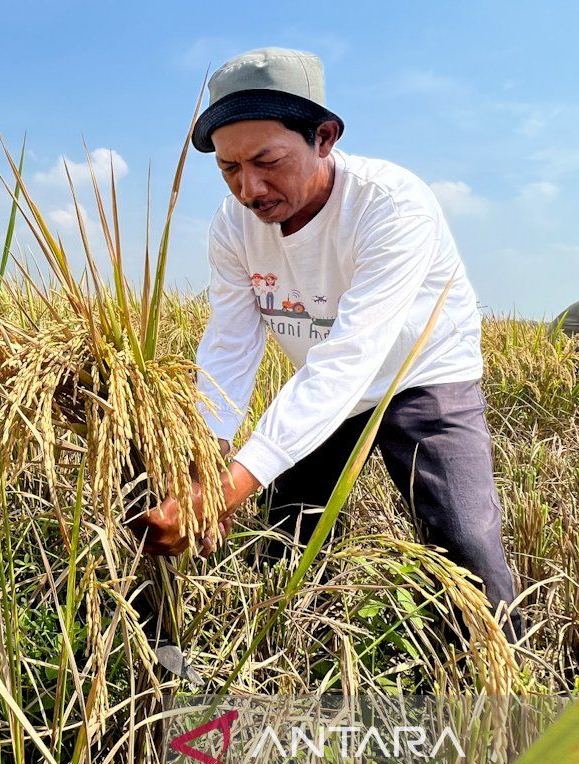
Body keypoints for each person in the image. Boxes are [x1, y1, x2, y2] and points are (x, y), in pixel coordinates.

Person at [134, 47, 523, 641]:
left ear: (324, 137)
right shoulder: (233, 227)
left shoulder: (391, 206)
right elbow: (230, 344)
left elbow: (354, 358)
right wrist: (203, 459)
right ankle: (285, 645)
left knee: (464, 541)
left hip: (418, 374)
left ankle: (504, 681)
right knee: (284, 531)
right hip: (320, 380)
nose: (250, 188)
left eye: (267, 161)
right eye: (230, 169)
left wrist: (230, 488)